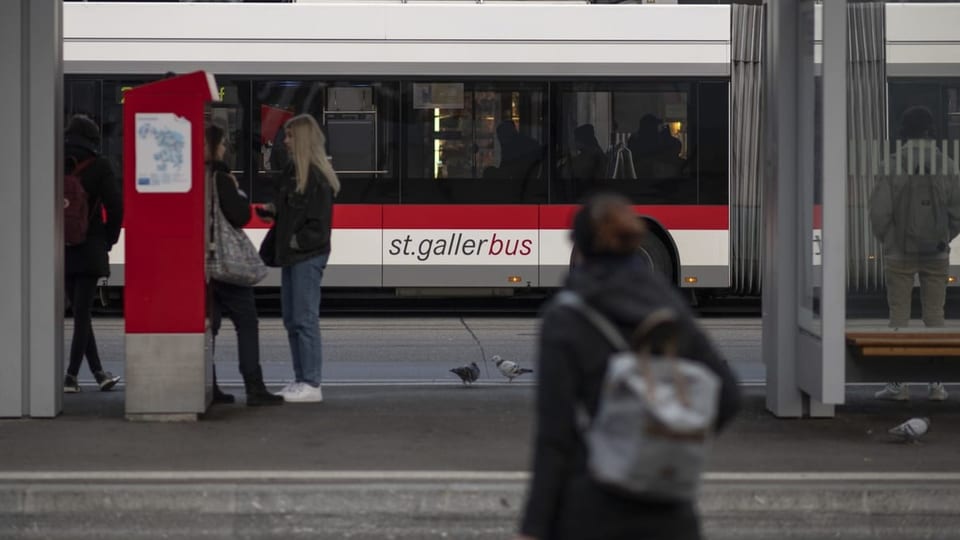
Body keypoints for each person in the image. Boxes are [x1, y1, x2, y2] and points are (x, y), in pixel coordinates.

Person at [516, 192, 741, 540]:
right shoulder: (669, 307)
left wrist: (534, 527)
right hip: (669, 509)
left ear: (579, 247)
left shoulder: (565, 318)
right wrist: (670, 432)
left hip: (590, 506)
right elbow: (727, 396)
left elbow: (554, 437)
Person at [870, 106, 960, 401]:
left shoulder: (892, 164)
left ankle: (899, 384)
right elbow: (957, 212)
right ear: (931, 131)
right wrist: (944, 237)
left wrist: (889, 239)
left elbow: (880, 212)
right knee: (935, 315)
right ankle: (936, 384)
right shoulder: (947, 164)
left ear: (904, 132)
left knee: (899, 316)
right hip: (936, 253)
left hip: (899, 254)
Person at [260, 114, 339, 403]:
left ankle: (311, 383)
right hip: (293, 255)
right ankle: (300, 379)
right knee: (293, 319)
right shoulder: (294, 172)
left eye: (290, 136)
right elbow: (290, 210)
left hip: (306, 255)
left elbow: (318, 227)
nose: (285, 141)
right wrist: (272, 211)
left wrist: (293, 240)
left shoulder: (315, 177)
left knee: (304, 319)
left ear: (302, 139)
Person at [205, 125, 284, 407]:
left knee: (209, 327)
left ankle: (209, 385)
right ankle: (254, 386)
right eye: (222, 144)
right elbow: (239, 217)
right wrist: (238, 194)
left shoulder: (194, 176)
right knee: (247, 322)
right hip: (226, 265)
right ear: (213, 146)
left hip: (203, 266)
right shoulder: (221, 178)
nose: (225, 149)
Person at [63, 115, 123, 393]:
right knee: (82, 313)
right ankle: (72, 376)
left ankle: (98, 373)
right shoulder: (101, 166)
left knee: (80, 312)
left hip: (61, 247)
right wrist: (109, 240)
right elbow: (116, 206)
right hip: (90, 245)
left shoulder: (55, 160)